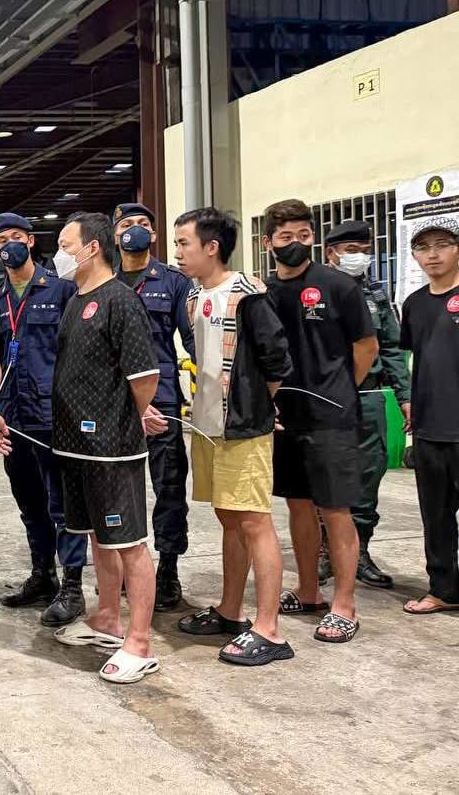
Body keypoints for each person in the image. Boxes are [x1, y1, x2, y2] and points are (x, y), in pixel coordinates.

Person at [172, 208, 294, 666]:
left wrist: (257, 406)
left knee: (255, 522)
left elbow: (277, 361)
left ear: (211, 247)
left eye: (183, 243)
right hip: (207, 426)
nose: (177, 252)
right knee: (229, 518)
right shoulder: (195, 296)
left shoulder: (248, 295)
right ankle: (229, 610)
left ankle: (269, 629)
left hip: (242, 428)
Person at [48, 212, 162, 684]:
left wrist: (123, 419)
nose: (58, 255)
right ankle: (108, 617)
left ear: (91, 248)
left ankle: (139, 642)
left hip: (110, 448)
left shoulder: (120, 301)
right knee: (99, 537)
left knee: (129, 542)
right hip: (76, 447)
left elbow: (145, 377)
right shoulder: (77, 300)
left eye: (65, 245)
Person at [263, 198, 377, 643]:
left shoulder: (338, 286)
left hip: (332, 418)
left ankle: (344, 604)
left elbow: (365, 347)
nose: (296, 243)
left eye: (303, 235)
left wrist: (338, 391)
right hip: (285, 418)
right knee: (297, 505)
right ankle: (308, 589)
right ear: (268, 242)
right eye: (286, 236)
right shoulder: (265, 293)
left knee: (335, 509)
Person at [0, 212, 87, 626]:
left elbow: (77, 351)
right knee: (29, 502)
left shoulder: (62, 290)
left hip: (53, 414)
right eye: (1, 240)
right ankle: (42, 575)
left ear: (29, 241)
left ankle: (73, 586)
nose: (8, 244)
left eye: (16, 236)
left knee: (62, 504)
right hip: (13, 416)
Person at [318, 219, 410, 589]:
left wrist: (404, 396)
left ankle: (360, 551)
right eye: (351, 250)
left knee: (370, 473)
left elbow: (391, 348)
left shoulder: (375, 294)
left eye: (364, 251)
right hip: (327, 398)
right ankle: (326, 551)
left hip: (369, 397)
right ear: (332, 253)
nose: (359, 257)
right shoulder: (316, 291)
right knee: (326, 475)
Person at [112, 203, 194, 611]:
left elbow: (191, 338)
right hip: (113, 402)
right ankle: (128, 566)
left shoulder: (174, 282)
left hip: (161, 402)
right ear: (114, 235)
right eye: (127, 225)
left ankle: (168, 569)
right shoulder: (103, 281)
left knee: (169, 488)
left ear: (155, 235)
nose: (135, 230)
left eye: (143, 224)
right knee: (118, 490)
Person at [399, 216, 459, 615]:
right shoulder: (415, 304)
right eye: (423, 247)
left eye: (442, 245)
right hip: (429, 428)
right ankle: (443, 589)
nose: (432, 255)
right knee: (435, 517)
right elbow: (413, 359)